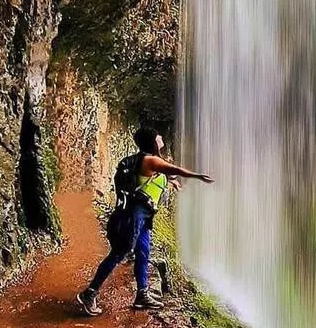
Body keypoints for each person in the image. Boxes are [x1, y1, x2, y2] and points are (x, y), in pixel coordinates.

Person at [76, 126, 213, 316]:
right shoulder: (150, 160)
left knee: (143, 252)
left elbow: (165, 173)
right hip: (134, 216)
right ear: (152, 141)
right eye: (159, 137)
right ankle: (89, 293)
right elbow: (172, 169)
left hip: (143, 216)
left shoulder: (146, 161)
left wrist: (171, 181)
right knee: (119, 253)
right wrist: (197, 176)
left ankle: (142, 294)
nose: (162, 138)